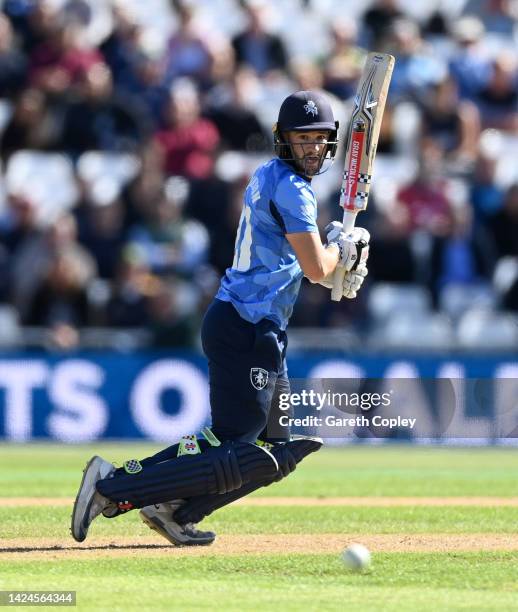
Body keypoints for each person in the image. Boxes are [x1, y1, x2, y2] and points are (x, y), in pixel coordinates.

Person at [71, 90, 370, 546]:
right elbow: (315, 268)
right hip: (247, 328)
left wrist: (334, 258)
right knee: (239, 448)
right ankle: (113, 487)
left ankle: (175, 510)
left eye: (319, 139)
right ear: (282, 140)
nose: (311, 147)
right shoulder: (293, 189)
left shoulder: (271, 176)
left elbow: (300, 265)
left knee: (274, 450)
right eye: (301, 138)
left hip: (258, 326)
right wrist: (341, 253)